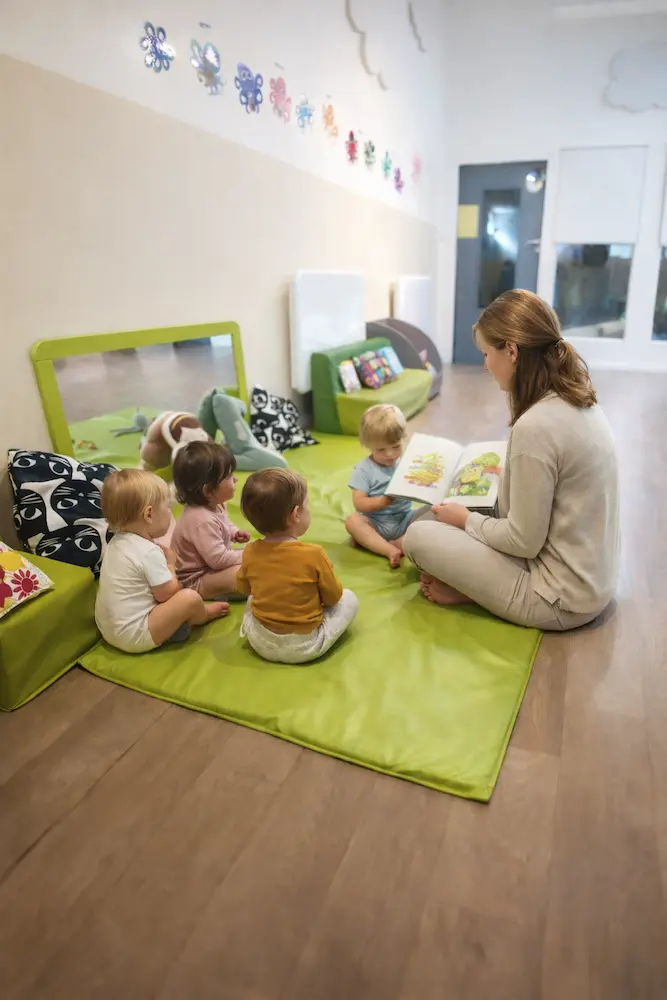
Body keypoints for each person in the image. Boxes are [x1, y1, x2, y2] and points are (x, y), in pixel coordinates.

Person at [403, 289, 620, 631]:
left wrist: (465, 521)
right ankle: (479, 579)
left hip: (560, 598)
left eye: (487, 353)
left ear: (513, 351)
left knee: (416, 538)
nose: (486, 364)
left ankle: (476, 591)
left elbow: (524, 542)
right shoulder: (577, 400)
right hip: (588, 576)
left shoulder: (535, 426)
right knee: (424, 516)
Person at [96, 469, 229, 653]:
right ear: (149, 515)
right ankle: (202, 615)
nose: (170, 512)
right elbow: (167, 594)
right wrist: (171, 565)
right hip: (135, 635)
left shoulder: (115, 543)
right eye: (167, 507)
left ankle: (175, 627)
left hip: (109, 631)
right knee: (188, 597)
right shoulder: (148, 552)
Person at [237, 468, 358, 664]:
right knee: (350, 599)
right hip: (304, 646)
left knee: (254, 598)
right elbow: (333, 597)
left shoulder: (250, 551)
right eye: (307, 505)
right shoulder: (314, 554)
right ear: (295, 515)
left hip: (260, 641)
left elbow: (243, 589)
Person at [171, 440, 250, 599]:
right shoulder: (201, 520)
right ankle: (219, 592)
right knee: (248, 572)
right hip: (196, 581)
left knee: (254, 567)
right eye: (228, 477)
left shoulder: (216, 504)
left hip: (211, 567)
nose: (235, 480)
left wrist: (233, 533)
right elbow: (219, 560)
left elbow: (225, 523)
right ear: (208, 490)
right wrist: (248, 554)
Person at [345, 403, 418, 568]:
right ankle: (389, 550)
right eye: (381, 450)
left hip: (405, 519)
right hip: (376, 523)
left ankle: (395, 542)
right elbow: (359, 503)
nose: (390, 454)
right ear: (368, 446)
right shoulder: (364, 470)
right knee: (353, 522)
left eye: (396, 446)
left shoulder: (406, 462)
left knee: (435, 512)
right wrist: (382, 502)